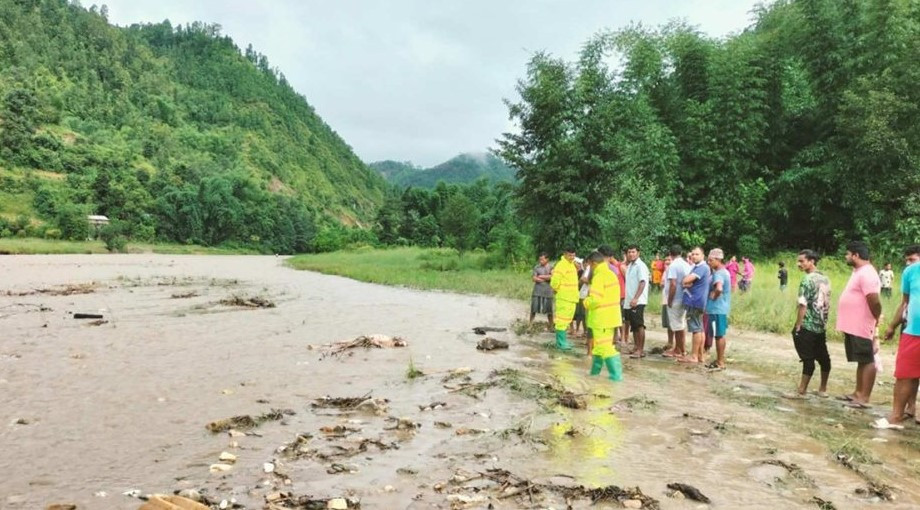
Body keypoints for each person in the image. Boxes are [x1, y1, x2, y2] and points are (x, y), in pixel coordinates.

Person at [836, 241, 882, 408]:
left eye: (848, 254)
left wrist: (877, 317)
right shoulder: (859, 272)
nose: (846, 257)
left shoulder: (868, 273)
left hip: (862, 323)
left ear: (856, 255)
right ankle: (858, 393)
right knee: (861, 359)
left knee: (867, 359)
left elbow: (874, 300)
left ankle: (864, 398)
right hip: (853, 324)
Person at [879, 244, 920, 428]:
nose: (908, 262)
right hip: (913, 332)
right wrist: (892, 326)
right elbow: (905, 303)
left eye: (912, 258)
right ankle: (896, 416)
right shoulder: (910, 272)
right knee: (904, 375)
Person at [789, 249, 832, 398]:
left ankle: (802, 390)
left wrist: (798, 325)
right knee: (824, 358)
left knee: (808, 359)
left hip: (808, 324)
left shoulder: (807, 280)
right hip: (820, 324)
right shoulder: (825, 279)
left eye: (802, 261)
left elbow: (803, 304)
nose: (798, 264)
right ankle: (823, 389)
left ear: (811, 261)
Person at [583, 251, 624, 381]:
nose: (589, 268)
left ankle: (616, 377)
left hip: (601, 319)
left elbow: (595, 300)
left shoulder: (599, 277)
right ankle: (594, 374)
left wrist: (586, 302)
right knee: (600, 347)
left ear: (594, 263)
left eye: (589, 265)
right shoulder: (611, 274)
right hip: (610, 318)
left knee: (605, 348)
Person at [680, 246, 711, 364]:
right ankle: (700, 355)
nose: (694, 256)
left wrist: (686, 281)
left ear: (703, 256)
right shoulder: (698, 267)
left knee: (696, 329)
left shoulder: (701, 268)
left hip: (695, 301)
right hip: (698, 301)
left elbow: (685, 281)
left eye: (697, 254)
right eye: (692, 254)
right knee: (700, 328)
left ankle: (694, 356)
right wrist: (687, 282)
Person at [705, 248, 731, 371]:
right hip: (721, 309)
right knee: (720, 334)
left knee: (718, 335)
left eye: (711, 260)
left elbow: (719, 288)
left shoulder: (719, 273)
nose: (708, 262)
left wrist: (714, 296)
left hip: (716, 309)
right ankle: (720, 360)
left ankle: (720, 361)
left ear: (718, 260)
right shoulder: (725, 272)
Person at [664, 245, 691, 358]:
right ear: (681, 253)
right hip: (684, 297)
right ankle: (681, 349)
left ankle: (678, 350)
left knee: (677, 326)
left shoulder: (673, 266)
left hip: (676, 299)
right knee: (681, 324)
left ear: (670, 254)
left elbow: (673, 284)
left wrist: (670, 300)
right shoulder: (686, 265)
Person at [550, 248, 579, 351]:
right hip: (564, 297)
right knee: (561, 320)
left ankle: (563, 341)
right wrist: (556, 289)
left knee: (567, 320)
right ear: (565, 254)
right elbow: (555, 281)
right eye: (570, 255)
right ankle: (560, 343)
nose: (572, 257)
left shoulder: (572, 265)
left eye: (573, 255)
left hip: (572, 297)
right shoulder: (561, 265)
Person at [598, 245, 628, 344]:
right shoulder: (607, 267)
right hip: (611, 296)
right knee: (613, 317)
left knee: (620, 318)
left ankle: (623, 338)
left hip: (620, 295)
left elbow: (628, 280)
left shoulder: (619, 267)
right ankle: (614, 337)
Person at [624, 245, 650, 358]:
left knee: (639, 325)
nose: (631, 254)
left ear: (638, 253)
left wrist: (636, 298)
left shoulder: (640, 266)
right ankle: (636, 347)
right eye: (629, 252)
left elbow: (642, 282)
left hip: (638, 301)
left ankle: (640, 350)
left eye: (633, 252)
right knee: (633, 325)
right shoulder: (630, 266)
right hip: (629, 300)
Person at [529, 253, 554, 328]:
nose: (541, 261)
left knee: (549, 310)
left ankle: (551, 326)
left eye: (542, 259)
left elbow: (552, 277)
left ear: (547, 259)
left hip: (548, 291)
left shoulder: (551, 267)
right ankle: (530, 325)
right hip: (537, 291)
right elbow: (534, 278)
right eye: (540, 259)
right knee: (533, 309)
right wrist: (545, 278)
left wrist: (540, 276)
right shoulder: (537, 267)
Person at [661, 254, 674, 352]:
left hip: (671, 300)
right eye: (666, 260)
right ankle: (670, 342)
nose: (667, 261)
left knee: (673, 324)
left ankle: (674, 344)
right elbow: (662, 284)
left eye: (669, 259)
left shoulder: (673, 271)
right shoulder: (666, 271)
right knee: (668, 324)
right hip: (665, 300)